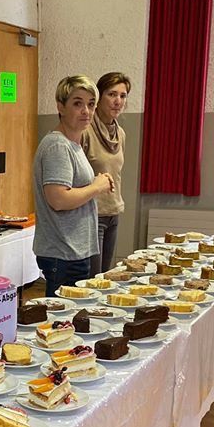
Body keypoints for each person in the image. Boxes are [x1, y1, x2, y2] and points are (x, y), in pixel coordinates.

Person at [32, 75, 114, 297]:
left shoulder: (73, 144)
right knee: (62, 323)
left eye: (90, 104)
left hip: (74, 251)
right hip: (64, 253)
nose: (86, 111)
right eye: (77, 103)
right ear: (61, 106)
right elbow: (58, 199)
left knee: (72, 323)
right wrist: (97, 186)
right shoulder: (58, 146)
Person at [82, 72, 130, 275]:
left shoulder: (120, 134)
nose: (117, 101)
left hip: (113, 212)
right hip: (92, 214)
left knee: (105, 276)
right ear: (99, 97)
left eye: (123, 95)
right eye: (112, 94)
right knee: (93, 278)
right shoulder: (85, 131)